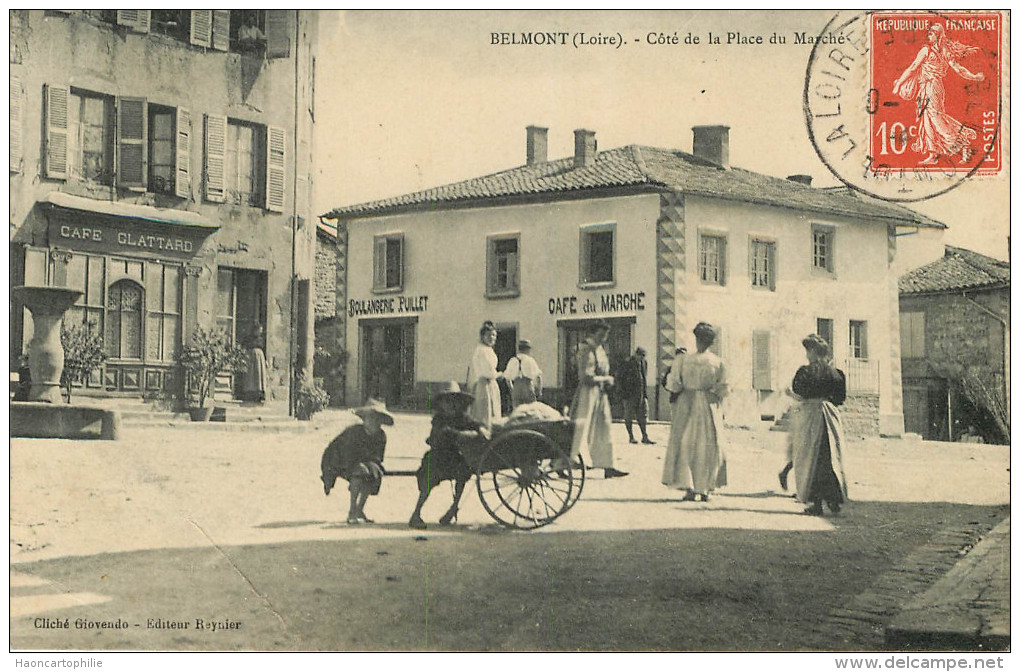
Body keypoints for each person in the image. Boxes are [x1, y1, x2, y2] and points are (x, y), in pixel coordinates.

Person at [891, 23, 984, 165]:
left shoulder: (927, 51)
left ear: (939, 35)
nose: (929, 34)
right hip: (930, 87)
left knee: (935, 118)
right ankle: (933, 154)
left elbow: (913, 68)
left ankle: (962, 143)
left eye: (932, 32)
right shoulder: (942, 51)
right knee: (927, 119)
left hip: (931, 87)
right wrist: (975, 77)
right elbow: (958, 69)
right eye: (929, 32)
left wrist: (898, 84)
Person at [661, 322, 728, 502]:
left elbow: (674, 384)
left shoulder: (683, 359)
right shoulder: (717, 362)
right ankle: (703, 488)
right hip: (707, 405)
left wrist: (681, 389)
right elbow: (723, 388)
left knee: (687, 444)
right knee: (706, 445)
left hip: (688, 403)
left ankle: (692, 487)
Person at [409, 381, 489, 529]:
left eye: (454, 401)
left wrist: (480, 429)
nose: (450, 405)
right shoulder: (438, 419)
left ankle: (453, 508)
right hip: (437, 457)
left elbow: (476, 424)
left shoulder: (462, 417)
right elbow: (438, 437)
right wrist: (459, 434)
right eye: (446, 401)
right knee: (428, 481)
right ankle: (416, 513)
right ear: (441, 404)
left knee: (464, 472)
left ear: (459, 403)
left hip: (454, 458)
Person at [789, 334, 849, 516]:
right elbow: (840, 398)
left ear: (813, 352)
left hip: (811, 417)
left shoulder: (806, 372)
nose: (807, 355)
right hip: (830, 417)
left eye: (808, 351)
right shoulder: (836, 373)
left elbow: (799, 391)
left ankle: (816, 503)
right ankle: (833, 501)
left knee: (811, 458)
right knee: (829, 458)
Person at [569, 319, 628, 479]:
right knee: (581, 427)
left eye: (606, 335)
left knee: (604, 428)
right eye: (601, 335)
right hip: (587, 393)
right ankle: (566, 461)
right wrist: (606, 380)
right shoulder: (586, 349)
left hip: (600, 393)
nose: (604, 338)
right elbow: (585, 377)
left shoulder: (599, 349)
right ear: (592, 333)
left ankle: (607, 465)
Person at [320, 398, 393, 525]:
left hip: (363, 462)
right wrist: (360, 465)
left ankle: (360, 509)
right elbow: (346, 454)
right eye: (370, 417)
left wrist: (371, 465)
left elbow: (378, 457)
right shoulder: (354, 432)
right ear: (364, 419)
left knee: (374, 474)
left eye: (377, 418)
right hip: (337, 460)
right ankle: (352, 510)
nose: (373, 421)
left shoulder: (381, 436)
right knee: (359, 475)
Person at [466, 321, 502, 428]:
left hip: (490, 384)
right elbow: (488, 371)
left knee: (491, 412)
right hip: (485, 384)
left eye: (494, 335)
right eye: (488, 335)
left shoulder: (488, 349)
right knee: (485, 414)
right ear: (482, 336)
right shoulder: (482, 350)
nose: (492, 337)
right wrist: (499, 374)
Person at [619, 346, 654, 445]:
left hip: (641, 394)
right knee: (629, 416)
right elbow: (620, 378)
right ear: (636, 354)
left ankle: (644, 436)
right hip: (629, 394)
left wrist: (645, 394)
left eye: (643, 356)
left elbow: (644, 378)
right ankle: (631, 436)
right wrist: (623, 393)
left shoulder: (644, 363)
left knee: (642, 415)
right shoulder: (627, 363)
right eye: (640, 356)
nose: (642, 358)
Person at [504, 339, 543, 408]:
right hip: (527, 386)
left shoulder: (512, 360)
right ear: (528, 349)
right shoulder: (530, 360)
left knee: (517, 412)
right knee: (530, 411)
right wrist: (539, 391)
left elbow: (507, 378)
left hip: (517, 386)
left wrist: (512, 389)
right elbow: (539, 377)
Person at [240, 325, 268, 403]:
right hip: (251, 356)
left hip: (259, 358)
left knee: (259, 375)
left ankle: (259, 394)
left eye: (261, 330)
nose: (260, 332)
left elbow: (264, 349)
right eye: (258, 330)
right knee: (251, 376)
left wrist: (265, 360)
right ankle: (249, 393)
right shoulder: (249, 339)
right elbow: (244, 346)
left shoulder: (261, 339)